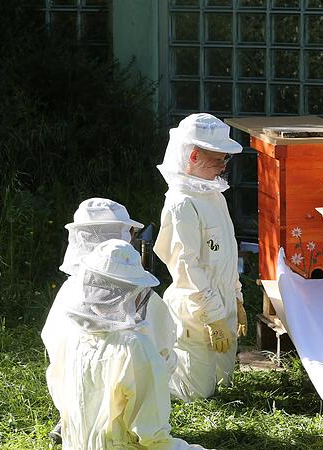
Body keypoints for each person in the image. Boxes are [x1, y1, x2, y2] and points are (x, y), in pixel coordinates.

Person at [46, 239, 206, 449]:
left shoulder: (71, 335)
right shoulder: (134, 347)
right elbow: (152, 435)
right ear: (132, 291)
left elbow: (61, 397)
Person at [42, 198, 177, 444]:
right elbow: (164, 352)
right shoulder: (140, 305)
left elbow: (55, 362)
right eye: (128, 231)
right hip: (127, 422)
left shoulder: (69, 290)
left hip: (78, 421)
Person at [155, 113, 248, 402]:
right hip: (195, 309)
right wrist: (212, 314)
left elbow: (227, 252)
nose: (224, 167)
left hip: (222, 303)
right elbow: (186, 267)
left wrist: (236, 298)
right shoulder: (182, 204)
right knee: (196, 394)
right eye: (218, 160)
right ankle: (145, 384)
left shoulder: (213, 195)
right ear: (194, 156)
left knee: (224, 385)